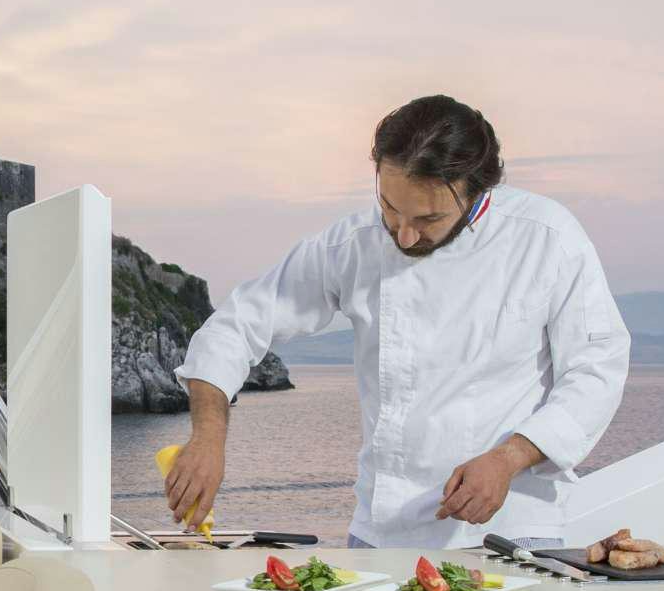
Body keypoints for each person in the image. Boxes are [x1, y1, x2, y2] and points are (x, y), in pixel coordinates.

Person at [164, 94, 629, 549]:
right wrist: (207, 439)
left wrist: (509, 459)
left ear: (477, 191)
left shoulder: (548, 238)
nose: (404, 235)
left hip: (514, 528)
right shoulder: (354, 243)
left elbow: (596, 370)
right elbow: (238, 323)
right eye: (389, 208)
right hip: (382, 533)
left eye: (428, 218)